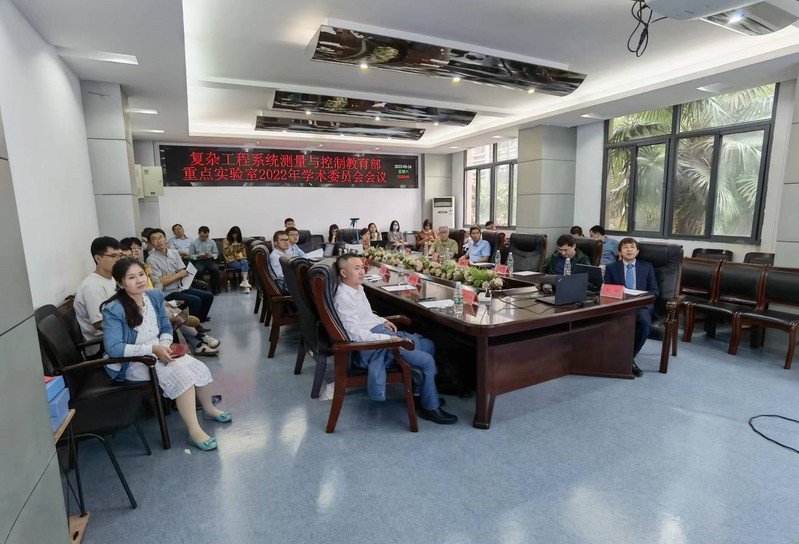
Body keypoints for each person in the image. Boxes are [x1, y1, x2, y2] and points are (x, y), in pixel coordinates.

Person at [101, 257, 230, 451]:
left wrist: (164, 345)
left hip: (159, 350)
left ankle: (209, 409)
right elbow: (114, 348)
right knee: (182, 377)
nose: (139, 280)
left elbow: (165, 327)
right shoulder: (114, 309)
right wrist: (153, 350)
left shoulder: (154, 297)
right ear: (120, 283)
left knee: (199, 367)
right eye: (131, 277)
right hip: (132, 361)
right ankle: (194, 431)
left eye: (141, 274)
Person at [333, 254, 457, 425]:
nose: (362, 272)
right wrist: (387, 338)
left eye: (362, 267)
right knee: (427, 361)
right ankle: (430, 408)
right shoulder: (343, 298)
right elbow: (354, 334)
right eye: (356, 268)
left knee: (428, 344)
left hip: (377, 334)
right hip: (370, 348)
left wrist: (382, 320)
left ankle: (419, 396)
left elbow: (367, 316)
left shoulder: (357, 288)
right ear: (343, 273)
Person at [124, 236, 218, 354]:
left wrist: (162, 301)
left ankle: (197, 338)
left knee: (198, 301)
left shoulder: (142, 266)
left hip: (161, 296)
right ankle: (198, 339)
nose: (136, 251)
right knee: (178, 313)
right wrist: (175, 277)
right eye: (132, 249)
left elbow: (152, 288)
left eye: (138, 248)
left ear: (165, 239)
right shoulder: (148, 262)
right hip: (157, 298)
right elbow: (159, 283)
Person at [603, 238, 660, 378]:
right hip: (619, 306)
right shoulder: (611, 267)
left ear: (637, 251)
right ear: (620, 252)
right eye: (625, 247)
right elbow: (607, 290)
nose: (629, 250)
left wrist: (641, 298)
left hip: (641, 306)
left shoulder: (647, 267)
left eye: (632, 247)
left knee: (645, 323)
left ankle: (629, 358)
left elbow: (655, 291)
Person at [146, 228, 215, 322]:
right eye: (154, 239)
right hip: (167, 293)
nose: (158, 241)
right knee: (195, 301)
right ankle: (193, 325)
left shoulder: (174, 253)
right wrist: (177, 275)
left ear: (165, 239)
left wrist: (171, 276)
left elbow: (183, 272)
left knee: (208, 296)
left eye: (160, 237)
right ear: (151, 243)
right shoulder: (151, 260)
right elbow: (161, 282)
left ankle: (200, 320)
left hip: (181, 288)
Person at [75, 237, 124, 343]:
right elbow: (99, 323)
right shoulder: (92, 287)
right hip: (103, 342)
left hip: (119, 333)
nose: (118, 260)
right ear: (98, 259)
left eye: (120, 255)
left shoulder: (112, 278)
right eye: (113, 256)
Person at [189, 226, 222, 295]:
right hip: (199, 261)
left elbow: (216, 253)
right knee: (198, 271)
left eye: (206, 236)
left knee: (215, 269)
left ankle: (215, 289)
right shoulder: (193, 243)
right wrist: (198, 256)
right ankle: (203, 289)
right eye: (202, 236)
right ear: (198, 234)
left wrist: (211, 255)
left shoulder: (212, 242)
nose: (204, 238)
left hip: (210, 260)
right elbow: (190, 256)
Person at [222, 226, 251, 294]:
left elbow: (244, 252)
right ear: (231, 234)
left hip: (240, 259)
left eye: (236, 235)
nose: (235, 236)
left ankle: (244, 282)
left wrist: (243, 254)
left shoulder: (240, 240)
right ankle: (246, 287)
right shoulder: (226, 240)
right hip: (230, 260)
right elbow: (226, 252)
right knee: (246, 267)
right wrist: (232, 246)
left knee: (245, 262)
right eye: (234, 235)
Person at [269, 230, 291, 294]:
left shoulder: (285, 253)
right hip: (286, 286)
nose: (286, 242)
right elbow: (280, 275)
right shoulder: (275, 256)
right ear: (275, 243)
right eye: (282, 240)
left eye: (287, 240)